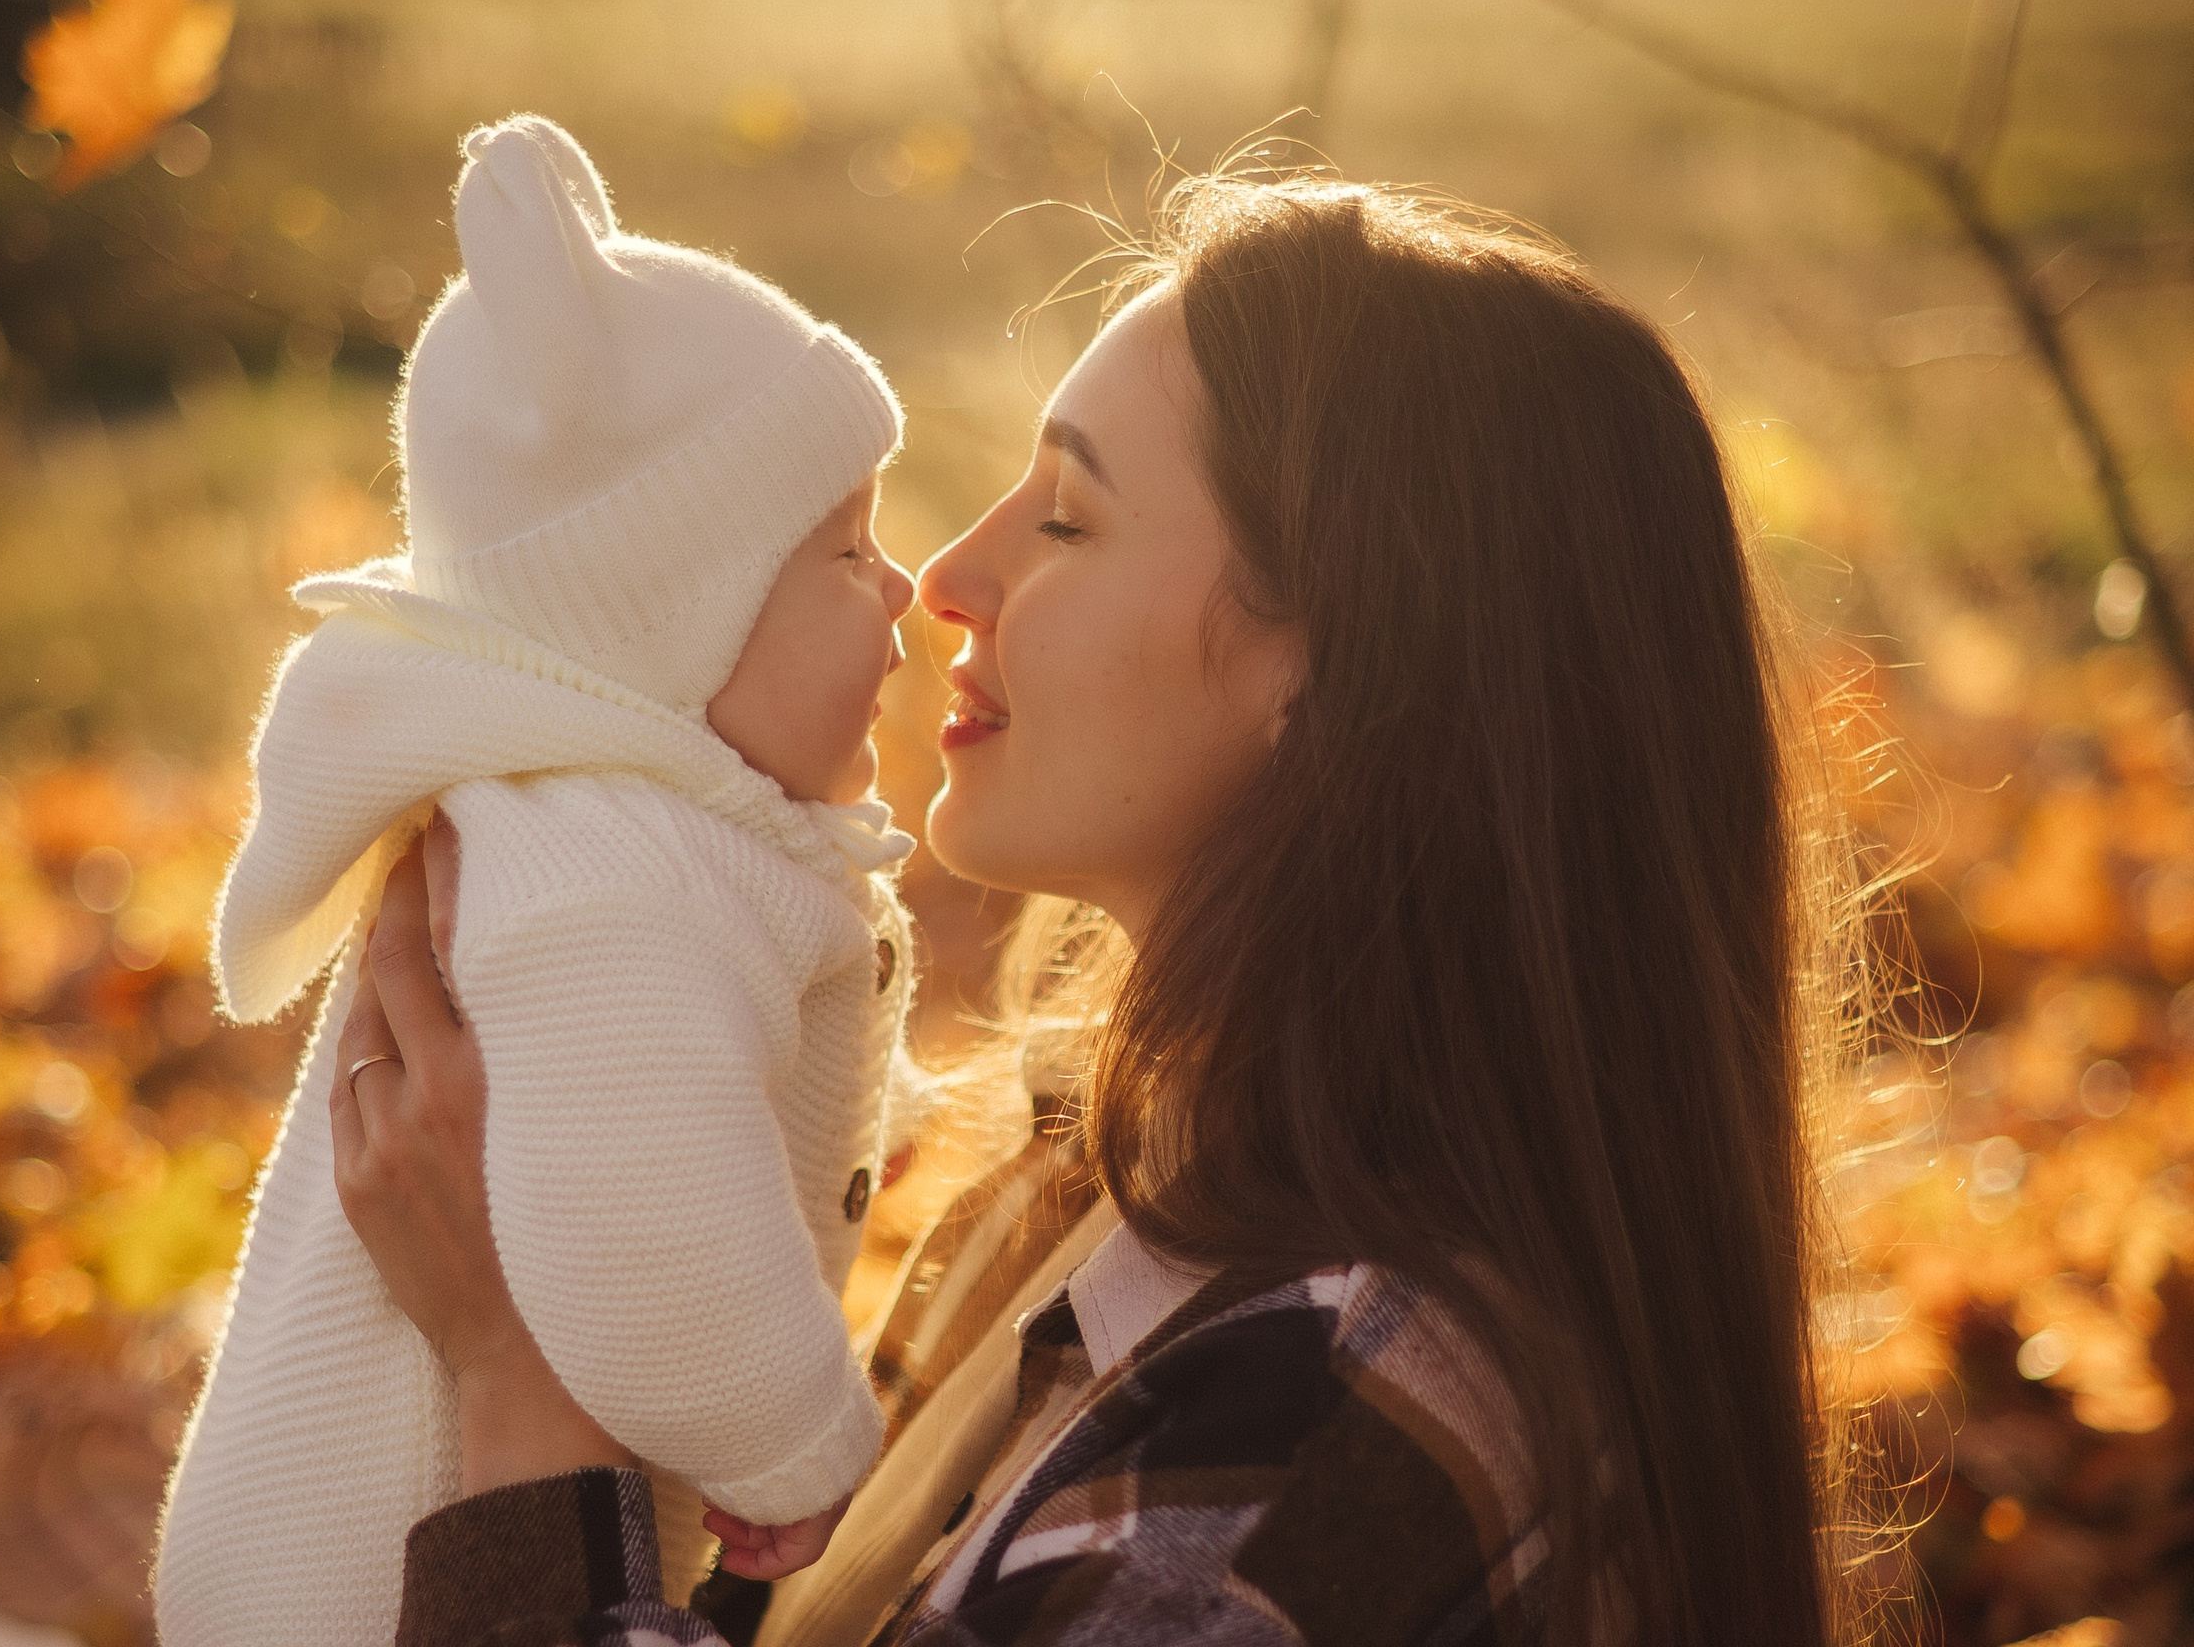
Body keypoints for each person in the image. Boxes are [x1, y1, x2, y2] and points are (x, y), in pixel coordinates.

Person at [323, 164, 1879, 1647]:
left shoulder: (1323, 1427)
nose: (944, 574)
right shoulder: (1088, 1201)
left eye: (1066, 519)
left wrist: (520, 1388)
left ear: (1330, 658)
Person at [152, 114, 933, 1647]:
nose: (900, 587)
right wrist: (796, 1448)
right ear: (674, 621)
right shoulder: (602, 873)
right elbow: (645, 1222)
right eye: (847, 554)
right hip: (375, 1582)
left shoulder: (631, 826)